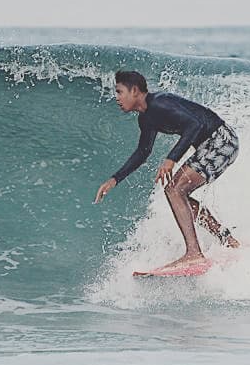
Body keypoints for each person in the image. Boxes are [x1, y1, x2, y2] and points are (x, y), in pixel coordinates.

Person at [94, 70, 240, 272]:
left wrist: (171, 159)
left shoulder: (160, 103)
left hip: (221, 140)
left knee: (173, 190)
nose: (117, 98)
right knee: (181, 195)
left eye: (119, 92)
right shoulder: (146, 118)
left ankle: (193, 254)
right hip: (220, 143)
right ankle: (228, 240)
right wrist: (115, 179)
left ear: (134, 90)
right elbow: (143, 152)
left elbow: (194, 125)